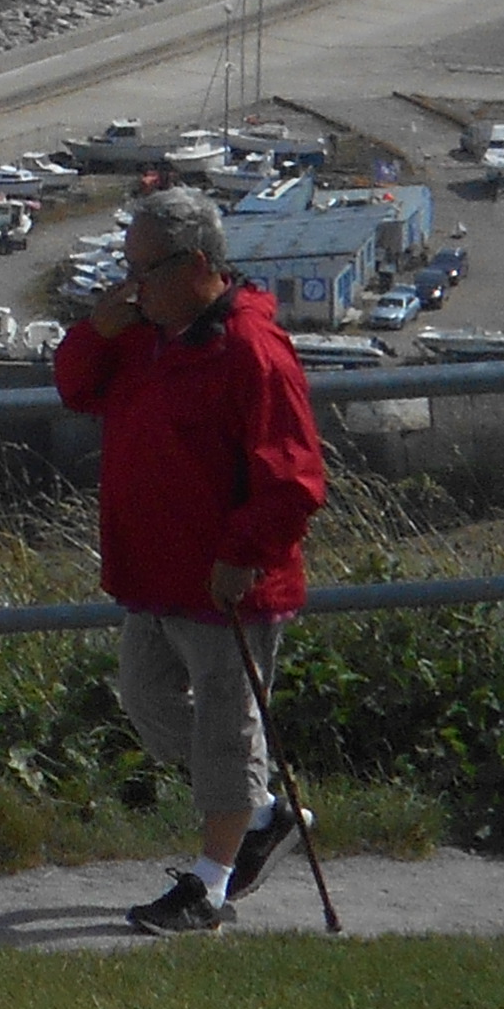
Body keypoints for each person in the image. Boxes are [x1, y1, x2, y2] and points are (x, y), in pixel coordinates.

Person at [56, 185, 328, 934]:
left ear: (200, 265)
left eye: (145, 270)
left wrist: (242, 555)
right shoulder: (144, 334)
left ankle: (209, 885)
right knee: (146, 702)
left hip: (225, 583)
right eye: (128, 267)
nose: (130, 284)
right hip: (153, 570)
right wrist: (97, 331)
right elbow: (77, 389)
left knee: (225, 727)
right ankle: (262, 811)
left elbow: (296, 479)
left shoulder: (250, 350)